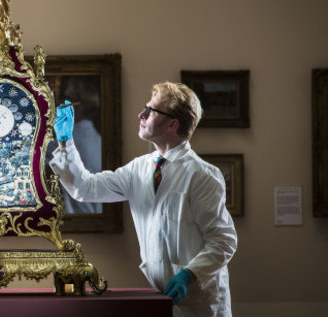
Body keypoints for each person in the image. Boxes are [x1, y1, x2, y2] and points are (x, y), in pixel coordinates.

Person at [49, 82, 237, 316]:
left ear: (172, 124)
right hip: (159, 299)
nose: (141, 114)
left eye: (151, 111)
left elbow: (223, 240)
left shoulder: (201, 175)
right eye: (144, 108)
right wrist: (66, 141)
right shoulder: (139, 169)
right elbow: (85, 189)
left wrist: (189, 274)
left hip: (201, 304)